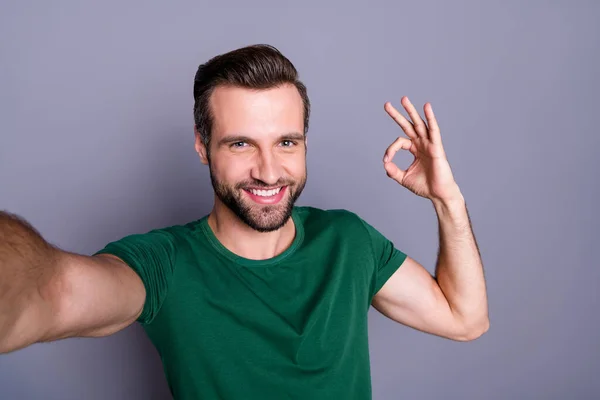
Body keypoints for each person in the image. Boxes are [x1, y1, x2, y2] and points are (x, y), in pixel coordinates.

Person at [0, 44, 489, 399]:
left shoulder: (348, 241)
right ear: (201, 146)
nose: (269, 171)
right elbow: (54, 292)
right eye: (240, 144)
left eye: (286, 142)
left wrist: (447, 200)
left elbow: (465, 319)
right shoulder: (165, 264)